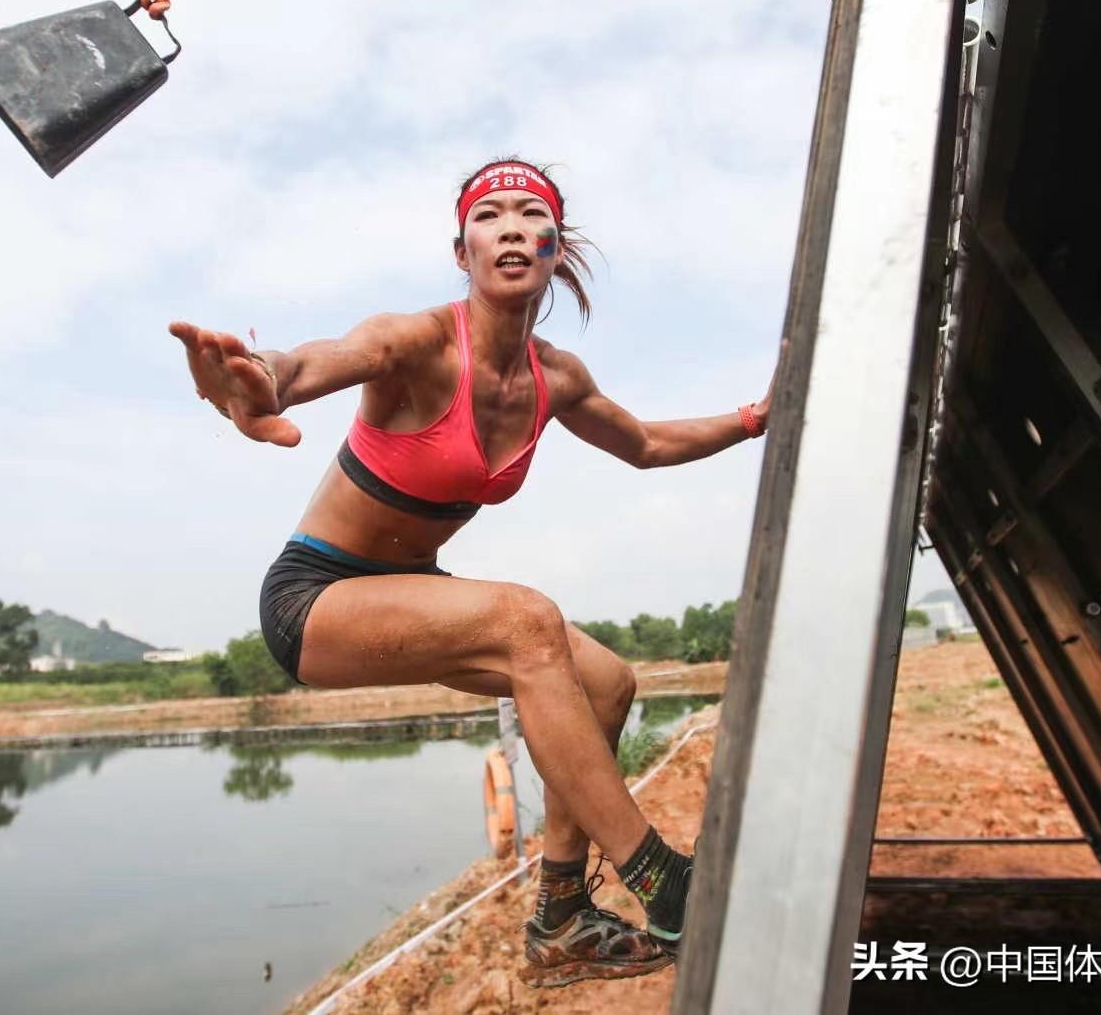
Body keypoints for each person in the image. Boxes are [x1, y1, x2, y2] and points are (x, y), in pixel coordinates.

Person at [170, 158, 774, 988]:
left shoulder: (555, 378)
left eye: (532, 215)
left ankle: (562, 914)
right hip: (315, 599)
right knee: (526, 619)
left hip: (414, 587)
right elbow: (311, 362)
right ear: (464, 252)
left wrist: (754, 419)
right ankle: (667, 882)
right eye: (490, 216)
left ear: (555, 248)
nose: (512, 227)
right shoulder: (414, 341)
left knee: (608, 682)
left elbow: (645, 443)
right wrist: (259, 380)